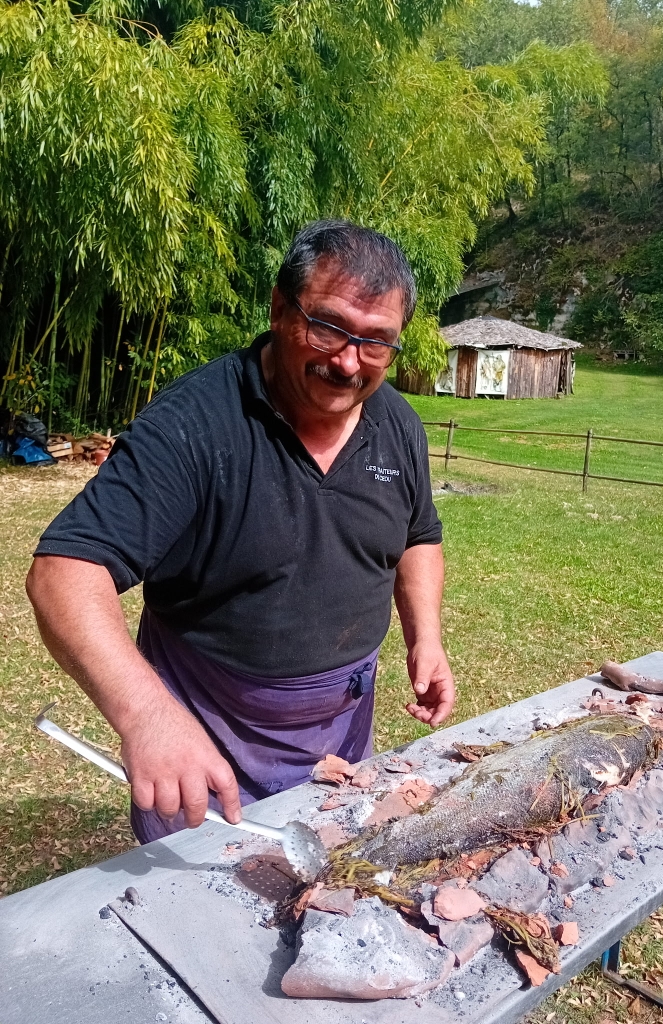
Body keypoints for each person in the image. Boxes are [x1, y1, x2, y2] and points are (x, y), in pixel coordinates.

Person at [26, 220, 455, 844]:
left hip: (341, 725)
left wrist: (427, 636)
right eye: (329, 327)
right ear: (281, 309)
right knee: (202, 908)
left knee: (322, 881)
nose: (347, 361)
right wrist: (147, 717)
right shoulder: (195, 424)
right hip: (207, 721)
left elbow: (418, 533)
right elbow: (63, 573)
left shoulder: (398, 425)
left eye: (375, 343)